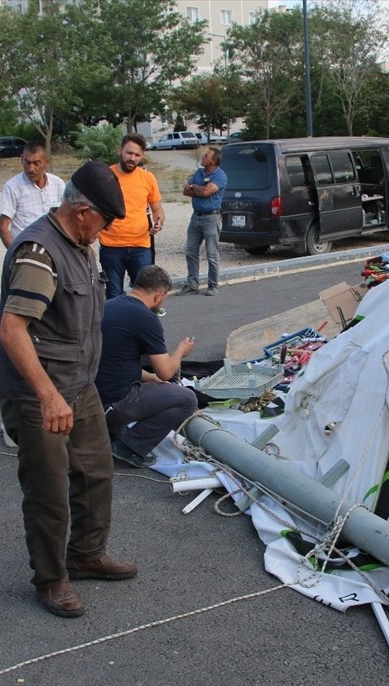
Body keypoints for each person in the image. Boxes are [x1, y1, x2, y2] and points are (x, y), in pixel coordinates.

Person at [0, 160, 136, 619]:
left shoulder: (81, 243)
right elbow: (12, 330)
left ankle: (86, 554)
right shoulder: (40, 250)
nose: (107, 230)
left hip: (79, 385)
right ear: (81, 211)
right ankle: (51, 579)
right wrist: (49, 395)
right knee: (48, 491)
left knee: (97, 473)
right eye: (105, 221)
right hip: (41, 395)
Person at [96, 265, 197, 468]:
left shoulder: (108, 305)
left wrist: (151, 379)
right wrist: (180, 351)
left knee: (158, 386)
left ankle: (111, 432)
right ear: (159, 296)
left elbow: (115, 361)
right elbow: (166, 372)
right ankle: (130, 447)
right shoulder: (146, 318)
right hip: (117, 401)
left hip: (94, 397)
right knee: (187, 399)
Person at [98, 133, 164, 299]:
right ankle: (115, 325)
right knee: (113, 296)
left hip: (141, 246)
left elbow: (156, 208)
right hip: (111, 247)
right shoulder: (105, 176)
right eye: (129, 153)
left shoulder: (148, 178)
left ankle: (139, 325)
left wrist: (159, 221)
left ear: (142, 155)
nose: (132, 158)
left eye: (137, 155)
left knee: (144, 295)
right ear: (120, 150)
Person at [0, 141, 66, 248]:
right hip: (26, 249)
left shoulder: (58, 184)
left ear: (46, 162)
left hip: (53, 248)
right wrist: (14, 253)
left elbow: (66, 218)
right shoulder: (13, 187)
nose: (31, 169)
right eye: (27, 162)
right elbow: (3, 227)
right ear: (21, 160)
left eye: (36, 163)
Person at [178, 146, 227, 297]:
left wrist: (194, 187)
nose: (203, 157)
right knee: (190, 251)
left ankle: (213, 285)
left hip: (211, 218)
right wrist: (195, 187)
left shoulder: (220, 176)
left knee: (212, 253)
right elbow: (186, 190)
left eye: (206, 156)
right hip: (196, 216)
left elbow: (206, 192)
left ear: (214, 161)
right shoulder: (199, 173)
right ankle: (192, 285)